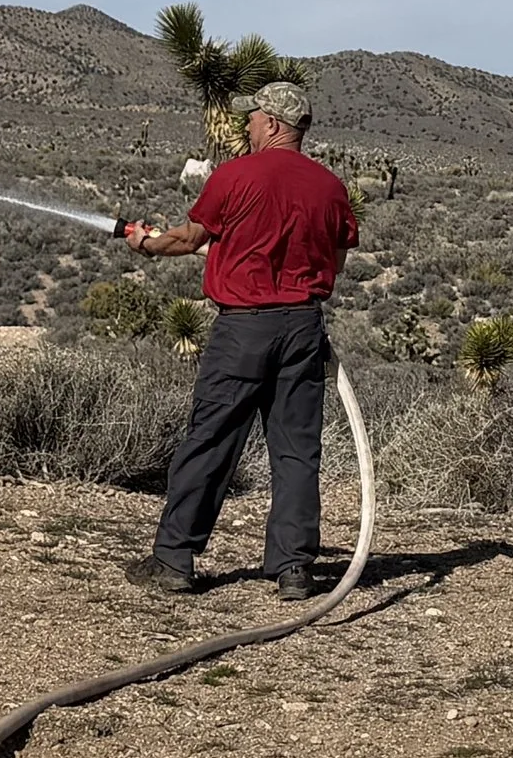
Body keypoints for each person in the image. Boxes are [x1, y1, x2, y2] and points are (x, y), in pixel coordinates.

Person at [119, 80, 357, 602]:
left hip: (242, 328)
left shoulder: (236, 176)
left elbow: (187, 239)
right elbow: (333, 266)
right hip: (302, 327)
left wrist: (147, 244)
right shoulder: (330, 188)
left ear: (272, 123)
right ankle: (294, 568)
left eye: (252, 118)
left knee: (211, 440)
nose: (246, 125)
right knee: (296, 450)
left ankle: (175, 559)